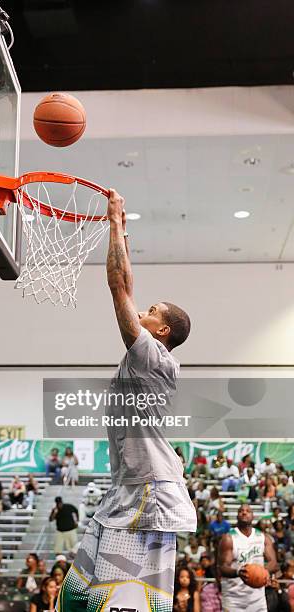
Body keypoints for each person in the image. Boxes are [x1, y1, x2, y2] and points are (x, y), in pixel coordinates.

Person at [57, 190, 196, 611]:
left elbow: (120, 286)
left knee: (122, 604)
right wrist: (125, 239)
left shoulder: (151, 354)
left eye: (151, 310)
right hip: (128, 488)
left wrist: (115, 223)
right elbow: (128, 283)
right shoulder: (147, 359)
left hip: (147, 494)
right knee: (74, 599)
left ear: (163, 330)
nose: (142, 312)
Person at [218, 503, 278, 612]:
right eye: (241, 511)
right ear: (237, 516)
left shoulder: (263, 537)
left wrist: (262, 572)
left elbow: (273, 562)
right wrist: (238, 572)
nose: (244, 512)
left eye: (248, 511)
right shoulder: (229, 538)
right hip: (234, 599)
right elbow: (222, 567)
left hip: (257, 598)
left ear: (253, 516)